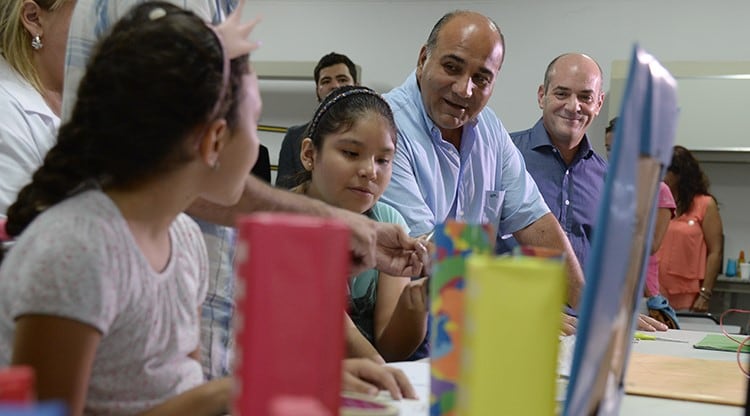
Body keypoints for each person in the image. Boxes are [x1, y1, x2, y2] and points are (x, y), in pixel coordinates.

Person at [0, 4, 415, 413]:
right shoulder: (77, 251)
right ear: (214, 141)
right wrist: (237, 390)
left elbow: (180, 396)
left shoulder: (182, 240)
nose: (257, 144)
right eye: (254, 123)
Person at [380, 11, 585, 319]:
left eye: (482, 78)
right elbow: (424, 249)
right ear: (423, 59)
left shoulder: (489, 129)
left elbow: (535, 221)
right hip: (404, 325)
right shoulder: (385, 125)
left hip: (470, 320)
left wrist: (591, 309)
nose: (465, 89)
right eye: (452, 67)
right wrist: (517, 310)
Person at [292, 85, 428, 362]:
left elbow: (391, 348)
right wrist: (381, 373)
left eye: (383, 160)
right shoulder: (284, 225)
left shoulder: (388, 223)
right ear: (309, 154)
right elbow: (335, 333)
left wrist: (417, 301)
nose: (370, 171)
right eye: (351, 153)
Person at [503, 53, 608, 271]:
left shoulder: (607, 178)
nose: (573, 106)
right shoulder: (504, 156)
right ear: (542, 96)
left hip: (579, 305)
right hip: (508, 302)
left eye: (585, 97)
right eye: (562, 93)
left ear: (598, 103)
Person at [0, 0, 76, 217]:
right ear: (33, 18)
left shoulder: (85, 91)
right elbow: (13, 240)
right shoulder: (4, 113)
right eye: (86, 13)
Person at [606, 117, 679, 328]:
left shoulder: (659, 190)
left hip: (642, 289)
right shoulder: (604, 183)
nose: (614, 155)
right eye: (609, 148)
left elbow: (653, 244)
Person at [276, 52, 358, 189]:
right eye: (326, 81)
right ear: (317, 91)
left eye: (342, 79)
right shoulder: (294, 137)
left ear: (356, 86)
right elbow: (283, 194)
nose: (335, 86)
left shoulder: (373, 137)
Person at [658, 145, 724, 312]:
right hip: (653, 292)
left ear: (680, 174)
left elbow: (715, 252)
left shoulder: (705, 204)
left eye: (665, 171)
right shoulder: (656, 203)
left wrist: (705, 294)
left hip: (687, 297)